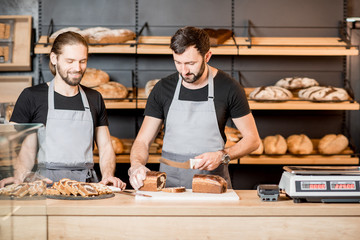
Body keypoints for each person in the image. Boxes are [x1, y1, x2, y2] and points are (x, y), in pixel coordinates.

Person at [128, 26, 261, 190]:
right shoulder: (163, 88)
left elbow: (253, 140)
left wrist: (222, 156)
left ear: (207, 56)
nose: (184, 71)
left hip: (212, 181)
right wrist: (136, 165)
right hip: (169, 184)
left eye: (190, 63)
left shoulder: (229, 87)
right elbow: (142, 140)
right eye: (178, 62)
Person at [0, 31, 126, 189]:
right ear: (54, 58)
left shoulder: (94, 98)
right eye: (70, 61)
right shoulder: (32, 96)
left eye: (82, 61)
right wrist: (20, 176)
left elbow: (106, 146)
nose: (77, 68)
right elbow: (23, 147)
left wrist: (108, 175)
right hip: (46, 185)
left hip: (86, 184)